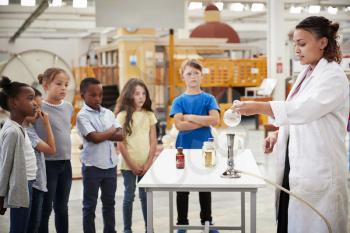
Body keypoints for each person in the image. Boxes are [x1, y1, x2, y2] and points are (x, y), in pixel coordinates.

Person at [233, 16, 348, 233]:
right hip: (295, 166)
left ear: (322, 42)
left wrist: (259, 107)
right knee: (289, 222)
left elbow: (304, 110)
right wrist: (278, 135)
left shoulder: (333, 78)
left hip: (318, 170)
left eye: (302, 44)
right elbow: (296, 112)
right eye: (295, 44)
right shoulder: (307, 73)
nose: (296, 49)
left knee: (316, 224)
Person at [169, 59, 220, 233]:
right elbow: (179, 125)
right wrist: (203, 122)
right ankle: (182, 223)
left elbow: (215, 120)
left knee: (205, 187)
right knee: (182, 188)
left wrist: (189, 116)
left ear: (201, 75)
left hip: (205, 148)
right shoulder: (178, 100)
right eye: (189, 73)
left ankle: (207, 222)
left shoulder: (209, 98)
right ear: (183, 76)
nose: (193, 77)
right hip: (184, 148)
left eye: (196, 73)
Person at [76, 78, 123, 233]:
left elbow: (121, 135)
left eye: (100, 95)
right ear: (83, 96)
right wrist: (110, 131)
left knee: (109, 204)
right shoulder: (82, 116)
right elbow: (94, 139)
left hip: (110, 165)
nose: (98, 98)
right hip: (92, 167)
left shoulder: (108, 113)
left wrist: (102, 134)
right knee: (90, 205)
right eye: (93, 95)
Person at [115, 78, 157, 233]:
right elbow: (120, 144)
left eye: (143, 94)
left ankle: (149, 228)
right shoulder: (122, 116)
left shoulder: (149, 115)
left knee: (145, 198)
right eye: (137, 94)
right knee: (128, 196)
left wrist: (148, 163)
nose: (141, 97)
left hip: (146, 164)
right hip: (128, 166)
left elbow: (153, 141)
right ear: (129, 95)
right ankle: (127, 229)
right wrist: (132, 165)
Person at [34, 68, 73, 233]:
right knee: (45, 208)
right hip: (47, 164)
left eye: (66, 84)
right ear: (46, 85)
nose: (63, 88)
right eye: (58, 84)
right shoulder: (39, 107)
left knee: (62, 207)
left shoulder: (69, 106)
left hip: (66, 163)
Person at [0, 76, 38, 233]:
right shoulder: (13, 131)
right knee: (19, 228)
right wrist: (1, 196)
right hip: (20, 186)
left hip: (28, 182)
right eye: (30, 99)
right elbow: (5, 165)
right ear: (14, 102)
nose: (35, 103)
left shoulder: (19, 127)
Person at [24, 88, 56, 233]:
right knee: (32, 226)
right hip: (34, 186)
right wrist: (47, 123)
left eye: (39, 107)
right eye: (35, 107)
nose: (38, 112)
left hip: (38, 184)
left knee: (35, 224)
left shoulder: (30, 129)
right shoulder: (27, 131)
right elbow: (51, 149)